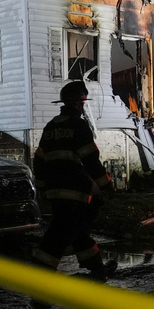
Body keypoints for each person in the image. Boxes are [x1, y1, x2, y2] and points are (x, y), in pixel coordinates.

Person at [32, 80, 116, 279]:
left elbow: (39, 160)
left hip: (54, 191)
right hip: (75, 192)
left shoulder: (50, 127)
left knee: (77, 231)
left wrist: (42, 188)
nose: (83, 107)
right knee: (59, 236)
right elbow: (91, 160)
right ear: (78, 104)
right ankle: (39, 273)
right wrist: (107, 186)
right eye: (83, 103)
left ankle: (97, 270)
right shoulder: (79, 126)